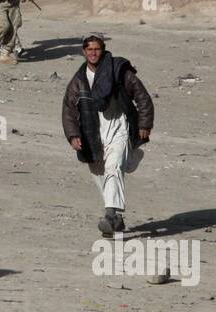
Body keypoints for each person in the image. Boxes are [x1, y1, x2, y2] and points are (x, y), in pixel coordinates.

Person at [61, 34, 154, 237]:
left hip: (118, 125)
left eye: (97, 49)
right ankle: (117, 220)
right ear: (83, 52)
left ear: (102, 50)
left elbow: (142, 96)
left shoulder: (118, 70)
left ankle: (110, 215)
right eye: (89, 49)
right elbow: (69, 108)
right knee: (98, 170)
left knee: (113, 166)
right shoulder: (79, 79)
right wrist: (73, 135)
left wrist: (145, 124)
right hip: (92, 129)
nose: (93, 53)